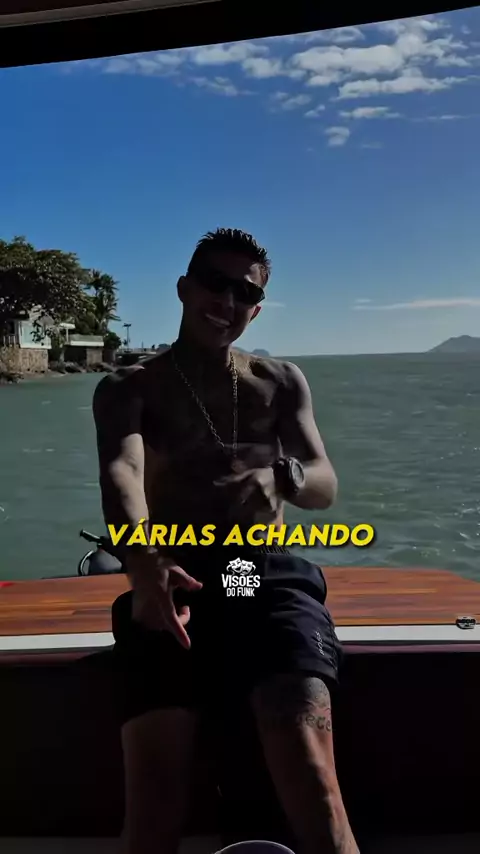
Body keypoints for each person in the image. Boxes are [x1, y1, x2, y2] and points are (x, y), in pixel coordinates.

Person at [93, 228, 359, 854]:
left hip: (258, 575)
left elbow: (323, 483)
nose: (228, 301)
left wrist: (284, 476)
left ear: (257, 309)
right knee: (155, 800)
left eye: (246, 292)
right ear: (184, 289)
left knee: (313, 777)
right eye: (215, 283)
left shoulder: (280, 380)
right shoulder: (131, 387)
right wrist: (142, 558)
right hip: (175, 581)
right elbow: (123, 470)